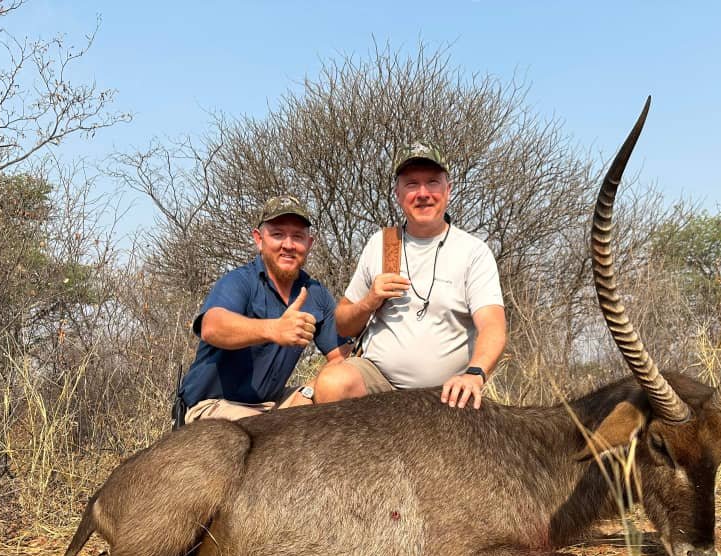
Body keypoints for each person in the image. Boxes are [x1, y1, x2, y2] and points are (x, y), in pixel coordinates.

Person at [314, 140, 506, 410]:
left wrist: (475, 373)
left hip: (444, 391)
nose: (423, 193)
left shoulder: (473, 252)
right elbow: (343, 325)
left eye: (432, 182)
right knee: (332, 382)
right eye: (412, 184)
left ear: (448, 190)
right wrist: (370, 301)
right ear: (398, 193)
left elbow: (493, 326)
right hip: (379, 381)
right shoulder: (382, 244)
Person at [175, 195, 348, 424]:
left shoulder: (315, 293)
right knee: (274, 435)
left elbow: (341, 360)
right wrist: (273, 329)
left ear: (309, 243)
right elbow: (211, 326)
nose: (288, 245)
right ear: (259, 239)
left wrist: (309, 391)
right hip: (213, 406)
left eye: (297, 236)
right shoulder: (239, 282)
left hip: (271, 405)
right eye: (277, 234)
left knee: (341, 389)